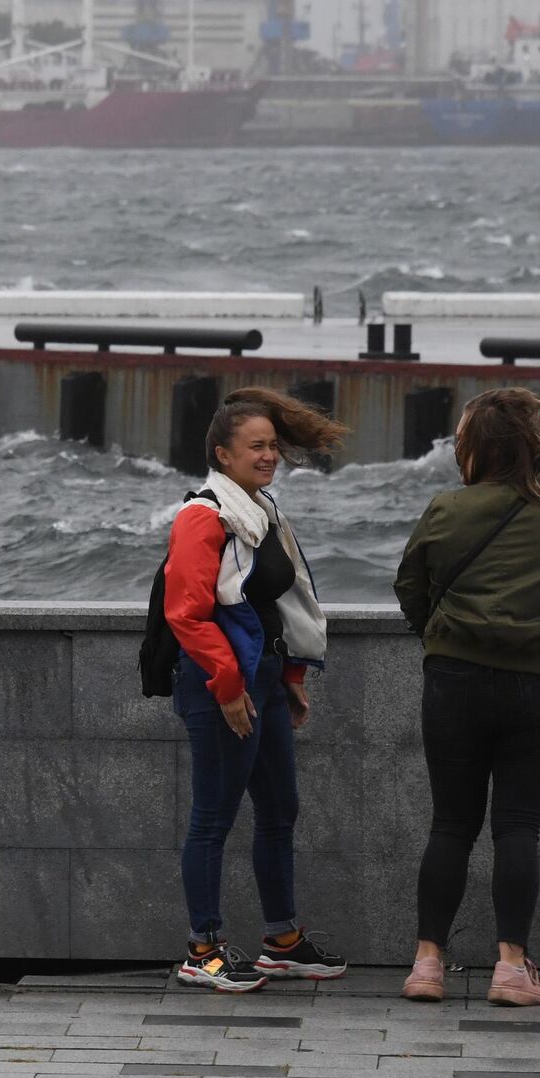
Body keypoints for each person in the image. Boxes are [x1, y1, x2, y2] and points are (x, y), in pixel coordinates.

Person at [393, 388, 540, 1007]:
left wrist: (442, 638)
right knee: (517, 827)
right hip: (538, 687)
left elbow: (410, 587)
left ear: (476, 449)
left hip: (454, 681)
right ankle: (510, 967)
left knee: (451, 824)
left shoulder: (445, 510)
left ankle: (428, 964)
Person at [163, 387, 351, 992]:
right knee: (213, 817)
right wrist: (225, 686)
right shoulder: (204, 515)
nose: (269, 455)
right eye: (256, 446)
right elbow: (186, 613)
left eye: (272, 445)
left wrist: (290, 678)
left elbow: (275, 604)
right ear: (223, 453)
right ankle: (202, 948)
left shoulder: (259, 509)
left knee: (279, 809)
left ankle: (282, 940)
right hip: (221, 685)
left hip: (264, 682)